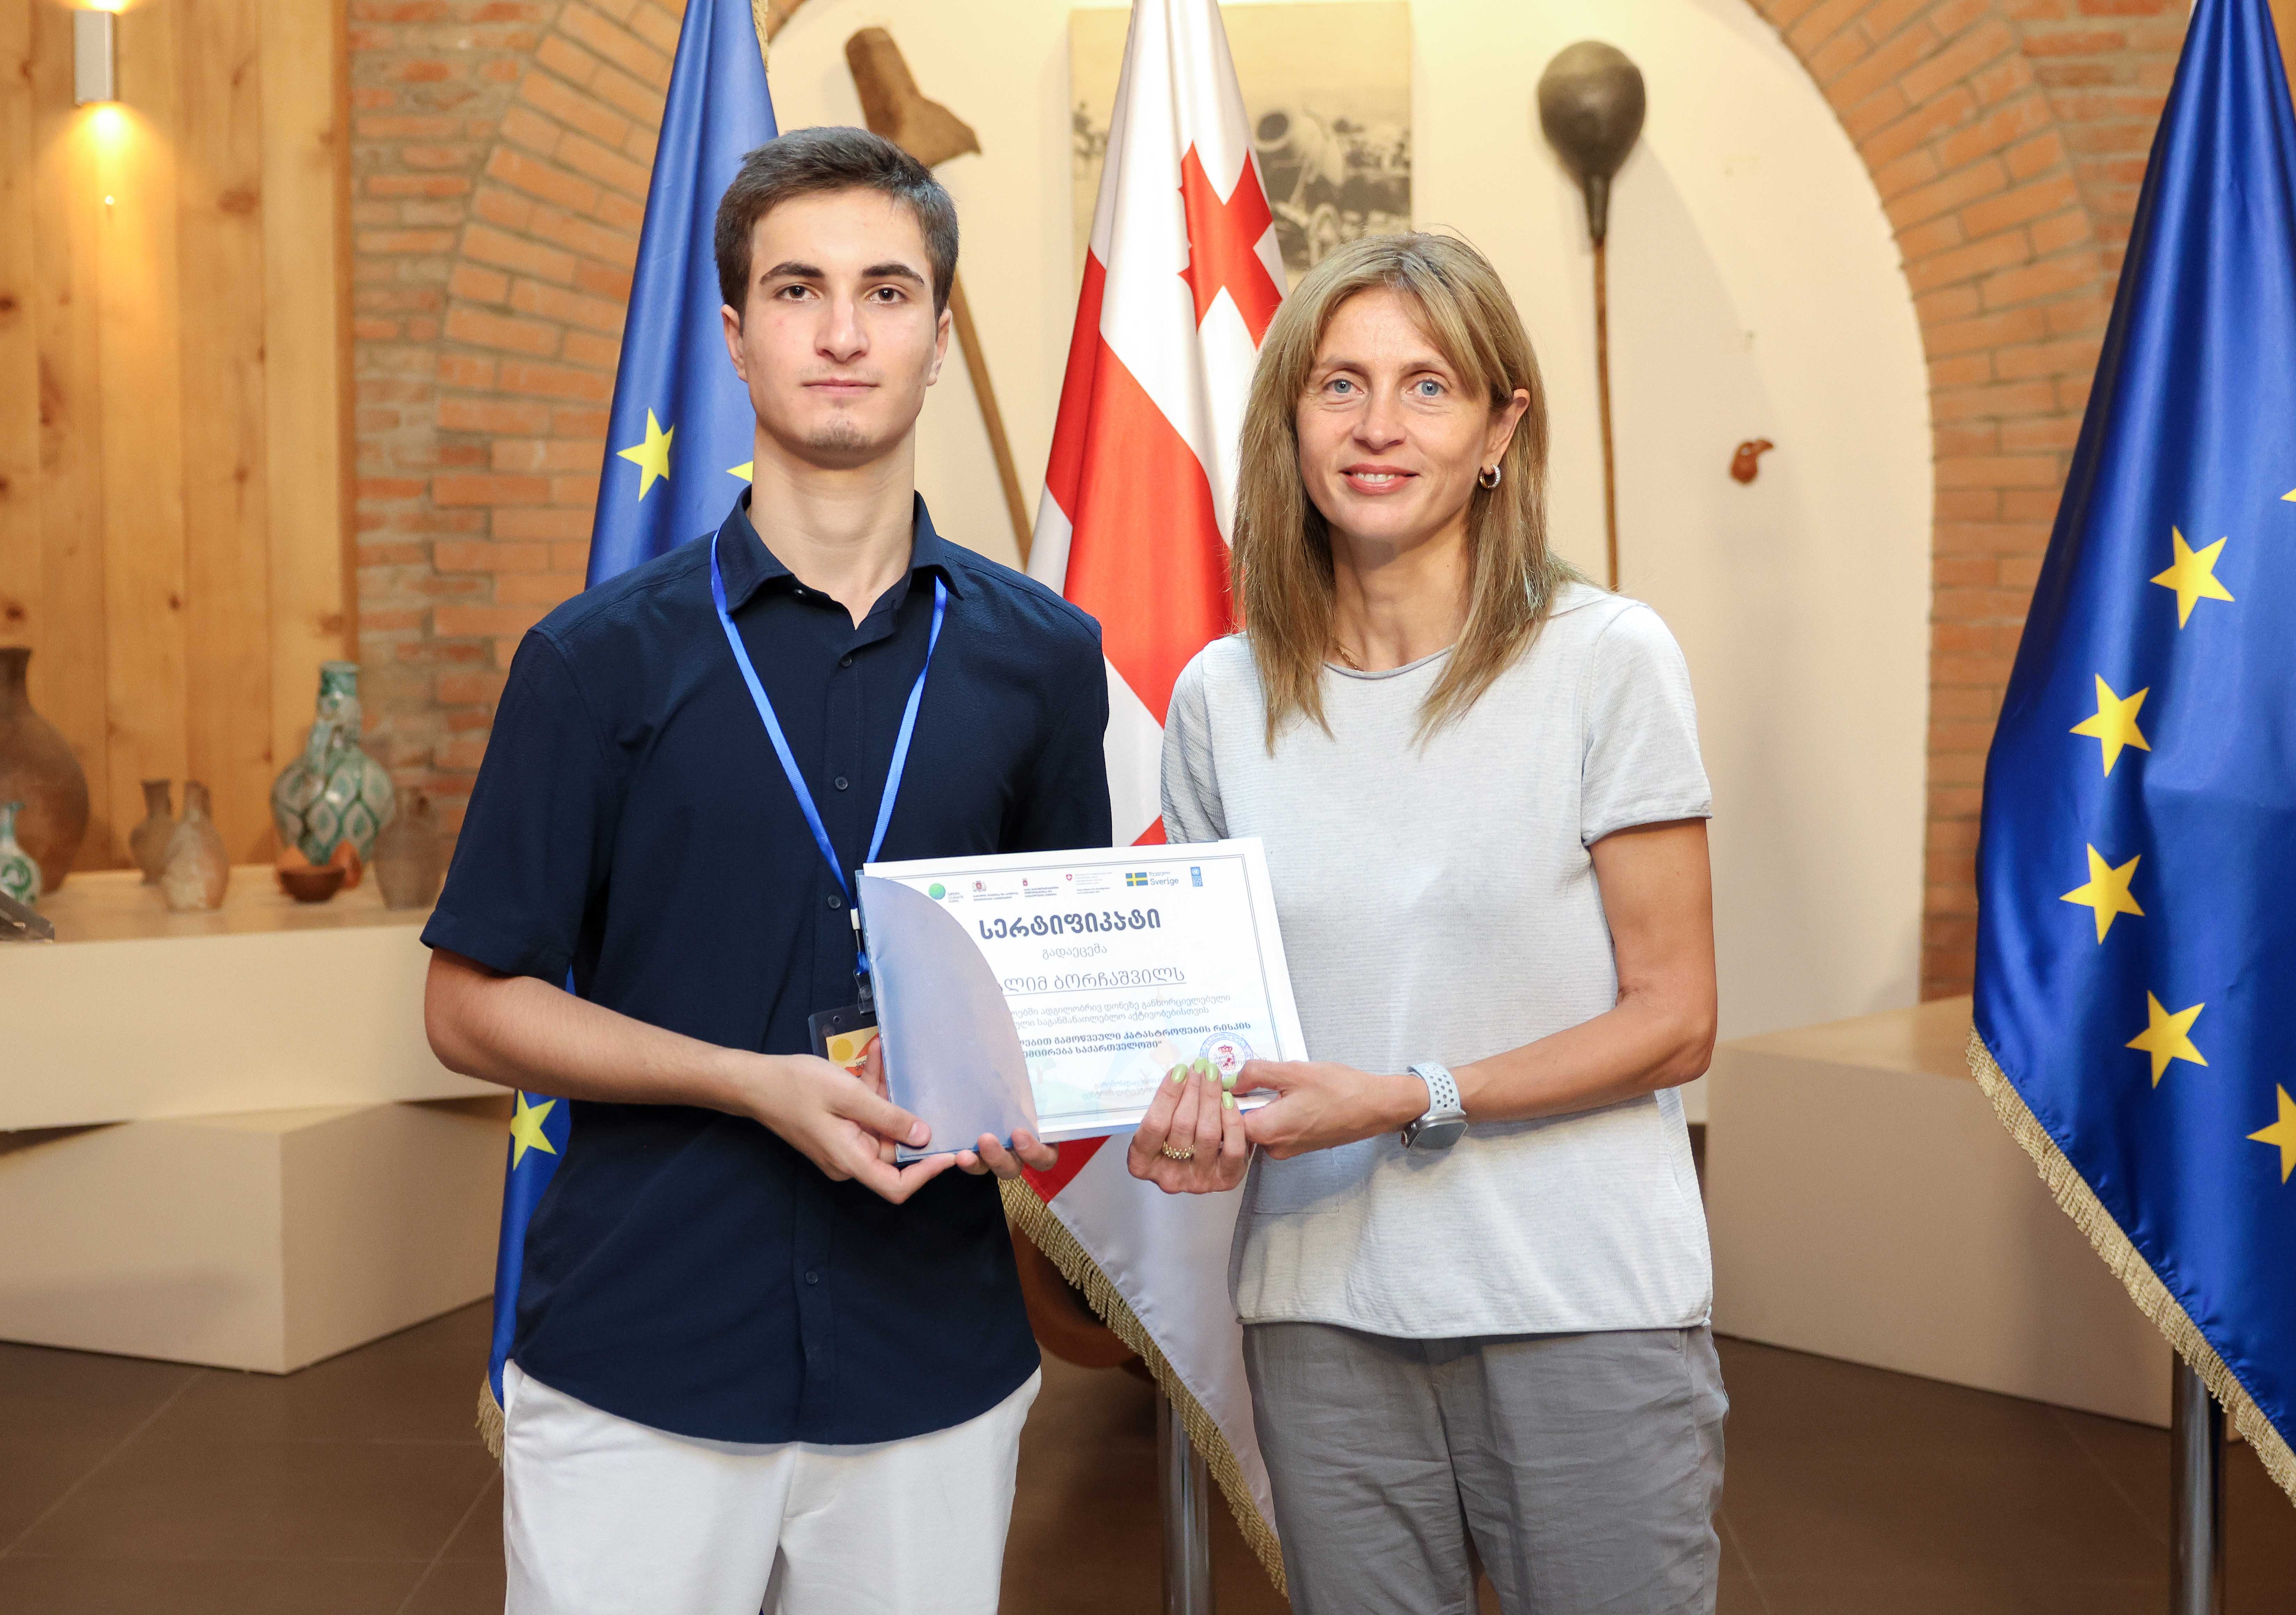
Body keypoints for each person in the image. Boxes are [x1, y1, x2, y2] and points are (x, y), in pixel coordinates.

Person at [420, 128, 1112, 1615]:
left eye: (888, 291)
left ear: (940, 336)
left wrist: (1068, 1082)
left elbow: (1056, 983)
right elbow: (467, 1005)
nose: (845, 332)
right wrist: (748, 1082)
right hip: (643, 1356)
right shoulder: (594, 659)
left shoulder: (1046, 660)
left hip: (932, 1363)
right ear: (735, 336)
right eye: (799, 290)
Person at [1128, 232, 1726, 1614]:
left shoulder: (1606, 658)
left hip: (1581, 1304)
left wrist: (1412, 1095)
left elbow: (1677, 1020)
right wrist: (1183, 1106)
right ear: (1292, 419)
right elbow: (1218, 1024)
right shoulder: (1222, 696)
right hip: (1320, 1311)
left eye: (1429, 386)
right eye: (1340, 384)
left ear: (1500, 428)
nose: (1379, 426)